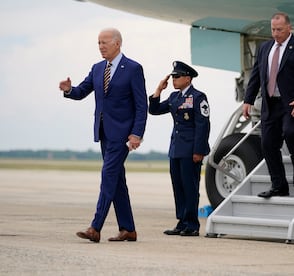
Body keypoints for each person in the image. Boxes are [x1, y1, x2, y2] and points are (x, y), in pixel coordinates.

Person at [58, 28, 148, 243]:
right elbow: (82, 91)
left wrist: (136, 133)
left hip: (122, 135)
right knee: (116, 180)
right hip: (104, 132)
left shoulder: (133, 69)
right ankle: (128, 229)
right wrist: (70, 90)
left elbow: (141, 105)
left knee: (108, 176)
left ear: (117, 43)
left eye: (105, 42)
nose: (101, 46)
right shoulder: (98, 68)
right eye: (98, 43)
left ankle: (95, 227)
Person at [243, 12, 294, 198]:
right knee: (267, 144)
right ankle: (279, 186)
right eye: (273, 30)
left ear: (289, 28)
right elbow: (256, 75)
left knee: (291, 133)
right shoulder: (264, 48)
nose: (275, 34)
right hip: (270, 104)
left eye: (279, 30)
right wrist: (248, 99)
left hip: (292, 102)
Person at [149, 61, 210, 237]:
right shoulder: (175, 97)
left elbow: (203, 125)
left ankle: (192, 224)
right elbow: (154, 110)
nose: (174, 79)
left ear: (188, 78)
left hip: (191, 150)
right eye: (173, 76)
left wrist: (199, 151)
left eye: (177, 76)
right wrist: (159, 90)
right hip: (176, 149)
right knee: (178, 187)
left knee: (190, 187)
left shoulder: (198, 97)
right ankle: (182, 222)